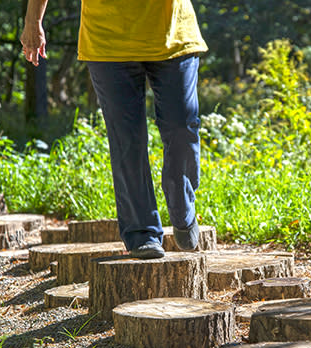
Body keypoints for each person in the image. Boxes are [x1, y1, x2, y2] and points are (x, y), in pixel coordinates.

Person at [21, 0, 208, 259]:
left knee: (181, 126)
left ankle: (182, 208)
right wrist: (33, 21)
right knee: (127, 140)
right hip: (108, 40)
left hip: (173, 34)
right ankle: (142, 233)